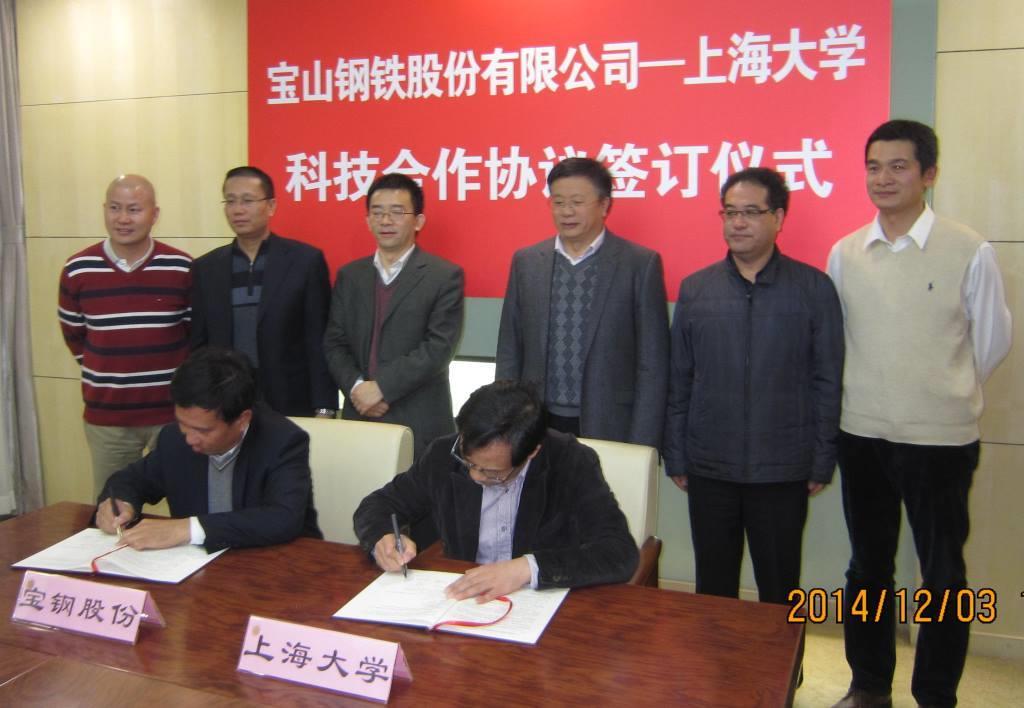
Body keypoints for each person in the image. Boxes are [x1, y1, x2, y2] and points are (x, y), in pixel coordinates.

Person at [827, 120, 1011, 708]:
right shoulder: (846, 252)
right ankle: (869, 686)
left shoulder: (968, 248)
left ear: (929, 174)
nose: (883, 178)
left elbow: (991, 341)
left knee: (943, 573)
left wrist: (941, 393)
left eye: (899, 166)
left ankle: (935, 695)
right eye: (874, 166)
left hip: (940, 440)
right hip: (862, 433)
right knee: (867, 568)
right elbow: (839, 340)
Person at [663, 167, 844, 606]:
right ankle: (714, 656)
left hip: (782, 470)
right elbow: (679, 379)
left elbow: (827, 380)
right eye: (729, 212)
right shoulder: (697, 289)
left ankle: (782, 657)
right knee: (713, 591)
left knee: (780, 592)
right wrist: (677, 454)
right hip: (710, 468)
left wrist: (821, 460)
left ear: (778, 217)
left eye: (750, 212)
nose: (737, 223)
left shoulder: (813, 288)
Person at [353, 380, 638, 601]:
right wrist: (381, 537)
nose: (474, 476)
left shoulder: (569, 461)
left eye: (491, 472)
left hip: (540, 605)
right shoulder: (443, 454)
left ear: (531, 452)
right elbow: (377, 505)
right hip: (465, 601)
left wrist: (526, 568)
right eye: (468, 462)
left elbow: (619, 552)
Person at [495, 157, 668, 447]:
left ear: (604, 205)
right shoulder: (527, 262)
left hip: (610, 423)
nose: (566, 212)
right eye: (558, 202)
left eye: (577, 202)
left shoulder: (639, 264)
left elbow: (653, 364)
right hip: (536, 421)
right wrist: (505, 421)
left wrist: (643, 442)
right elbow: (510, 350)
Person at [96, 347, 322, 552]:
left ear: (242, 420)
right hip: (195, 566)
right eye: (182, 423)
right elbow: (128, 480)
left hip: (273, 561)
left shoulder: (282, 441)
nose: (189, 438)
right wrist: (122, 503)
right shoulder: (174, 438)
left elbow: (282, 518)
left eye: (202, 430)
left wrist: (188, 529)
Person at [58, 174, 192, 496]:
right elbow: (75, 336)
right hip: (108, 419)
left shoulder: (181, 268)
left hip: (172, 416)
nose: (123, 218)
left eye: (134, 209)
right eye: (115, 208)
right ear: (104, 209)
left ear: (154, 214)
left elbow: (192, 336)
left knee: (186, 502)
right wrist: (110, 370)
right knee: (113, 507)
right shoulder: (78, 269)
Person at [323, 173, 464, 459]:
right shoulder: (350, 276)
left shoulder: (444, 276)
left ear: (418, 221)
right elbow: (334, 342)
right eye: (377, 212)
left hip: (419, 419)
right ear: (368, 220)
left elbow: (438, 348)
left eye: (397, 212)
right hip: (360, 415)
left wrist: (382, 388)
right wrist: (357, 388)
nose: (386, 220)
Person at [190, 166, 336, 418]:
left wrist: (324, 405)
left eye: (247, 200)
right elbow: (200, 345)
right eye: (230, 201)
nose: (238, 210)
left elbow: (318, 339)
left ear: (271, 206)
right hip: (227, 400)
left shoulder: (304, 261)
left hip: (290, 398)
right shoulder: (206, 268)